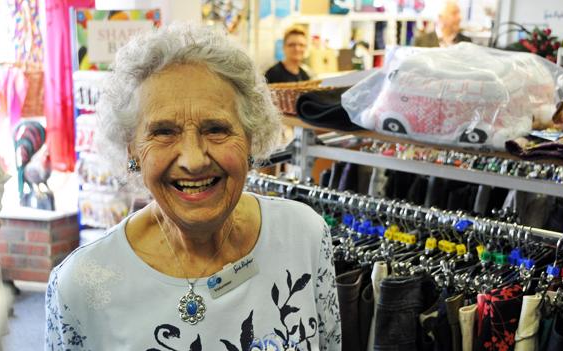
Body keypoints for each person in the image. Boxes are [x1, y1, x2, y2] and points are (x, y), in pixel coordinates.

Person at [44, 23, 341, 350]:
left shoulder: (304, 236)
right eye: (164, 132)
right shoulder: (82, 285)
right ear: (132, 149)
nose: (194, 159)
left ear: (251, 138)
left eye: (216, 128)